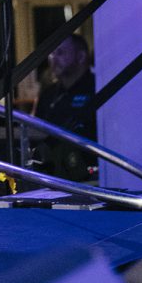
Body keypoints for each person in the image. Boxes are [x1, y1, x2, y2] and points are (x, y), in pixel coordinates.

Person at [34, 33, 96, 180]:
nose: (53, 59)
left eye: (60, 53)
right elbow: (36, 132)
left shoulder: (97, 90)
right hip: (51, 174)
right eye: (52, 53)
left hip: (89, 175)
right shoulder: (48, 94)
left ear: (81, 57)